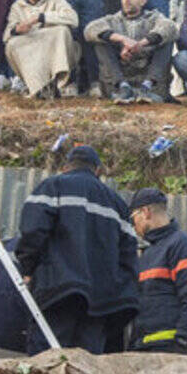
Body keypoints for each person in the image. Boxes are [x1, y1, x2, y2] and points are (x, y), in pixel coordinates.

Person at [15, 145, 138, 354]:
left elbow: (33, 230)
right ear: (97, 170)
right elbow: (128, 258)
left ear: (65, 167)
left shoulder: (53, 186)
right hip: (100, 304)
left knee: (47, 366)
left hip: (57, 293)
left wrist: (27, 269)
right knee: (87, 369)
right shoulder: (117, 204)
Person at [126, 188, 187, 352]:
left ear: (146, 212)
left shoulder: (183, 246)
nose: (133, 226)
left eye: (133, 219)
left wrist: (183, 339)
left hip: (172, 349)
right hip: (145, 347)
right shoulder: (150, 253)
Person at [84, 0, 178, 103]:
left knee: (166, 38)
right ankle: (123, 88)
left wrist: (140, 44)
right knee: (100, 40)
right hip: (119, 80)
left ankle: (147, 88)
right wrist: (123, 40)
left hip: (149, 81)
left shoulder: (154, 18)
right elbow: (89, 29)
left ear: (143, 0)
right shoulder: (113, 19)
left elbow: (171, 27)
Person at [3, 0, 80, 98]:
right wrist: (17, 29)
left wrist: (41, 17)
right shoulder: (17, 6)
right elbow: (7, 34)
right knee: (12, 44)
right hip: (34, 51)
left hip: (55, 49)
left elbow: (73, 18)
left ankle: (61, 82)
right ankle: (39, 87)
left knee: (61, 31)